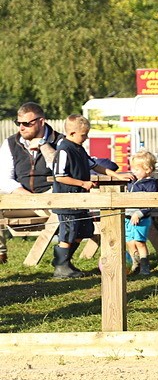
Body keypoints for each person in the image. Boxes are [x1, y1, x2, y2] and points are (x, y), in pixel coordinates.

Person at [0, 103, 64, 265]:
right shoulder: (10, 143)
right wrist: (28, 197)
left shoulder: (61, 141)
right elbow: (4, 179)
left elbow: (60, 170)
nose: (22, 128)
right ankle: (0, 254)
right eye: (18, 123)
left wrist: (44, 146)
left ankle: (63, 260)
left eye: (27, 123)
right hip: (22, 200)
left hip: (52, 199)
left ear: (41, 121)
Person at [49, 115, 98, 278]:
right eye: (84, 135)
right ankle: (60, 266)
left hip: (80, 200)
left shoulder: (80, 149)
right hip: (67, 200)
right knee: (68, 232)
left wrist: (117, 175)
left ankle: (65, 262)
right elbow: (60, 176)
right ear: (71, 133)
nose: (86, 138)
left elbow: (95, 165)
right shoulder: (64, 150)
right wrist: (83, 183)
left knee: (83, 231)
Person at [124, 150, 158, 276]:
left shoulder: (150, 184)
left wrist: (139, 213)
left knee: (139, 241)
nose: (134, 172)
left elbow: (151, 203)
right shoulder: (133, 182)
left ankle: (145, 266)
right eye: (133, 169)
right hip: (128, 216)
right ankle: (135, 263)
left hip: (140, 218)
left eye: (137, 170)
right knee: (130, 241)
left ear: (148, 169)